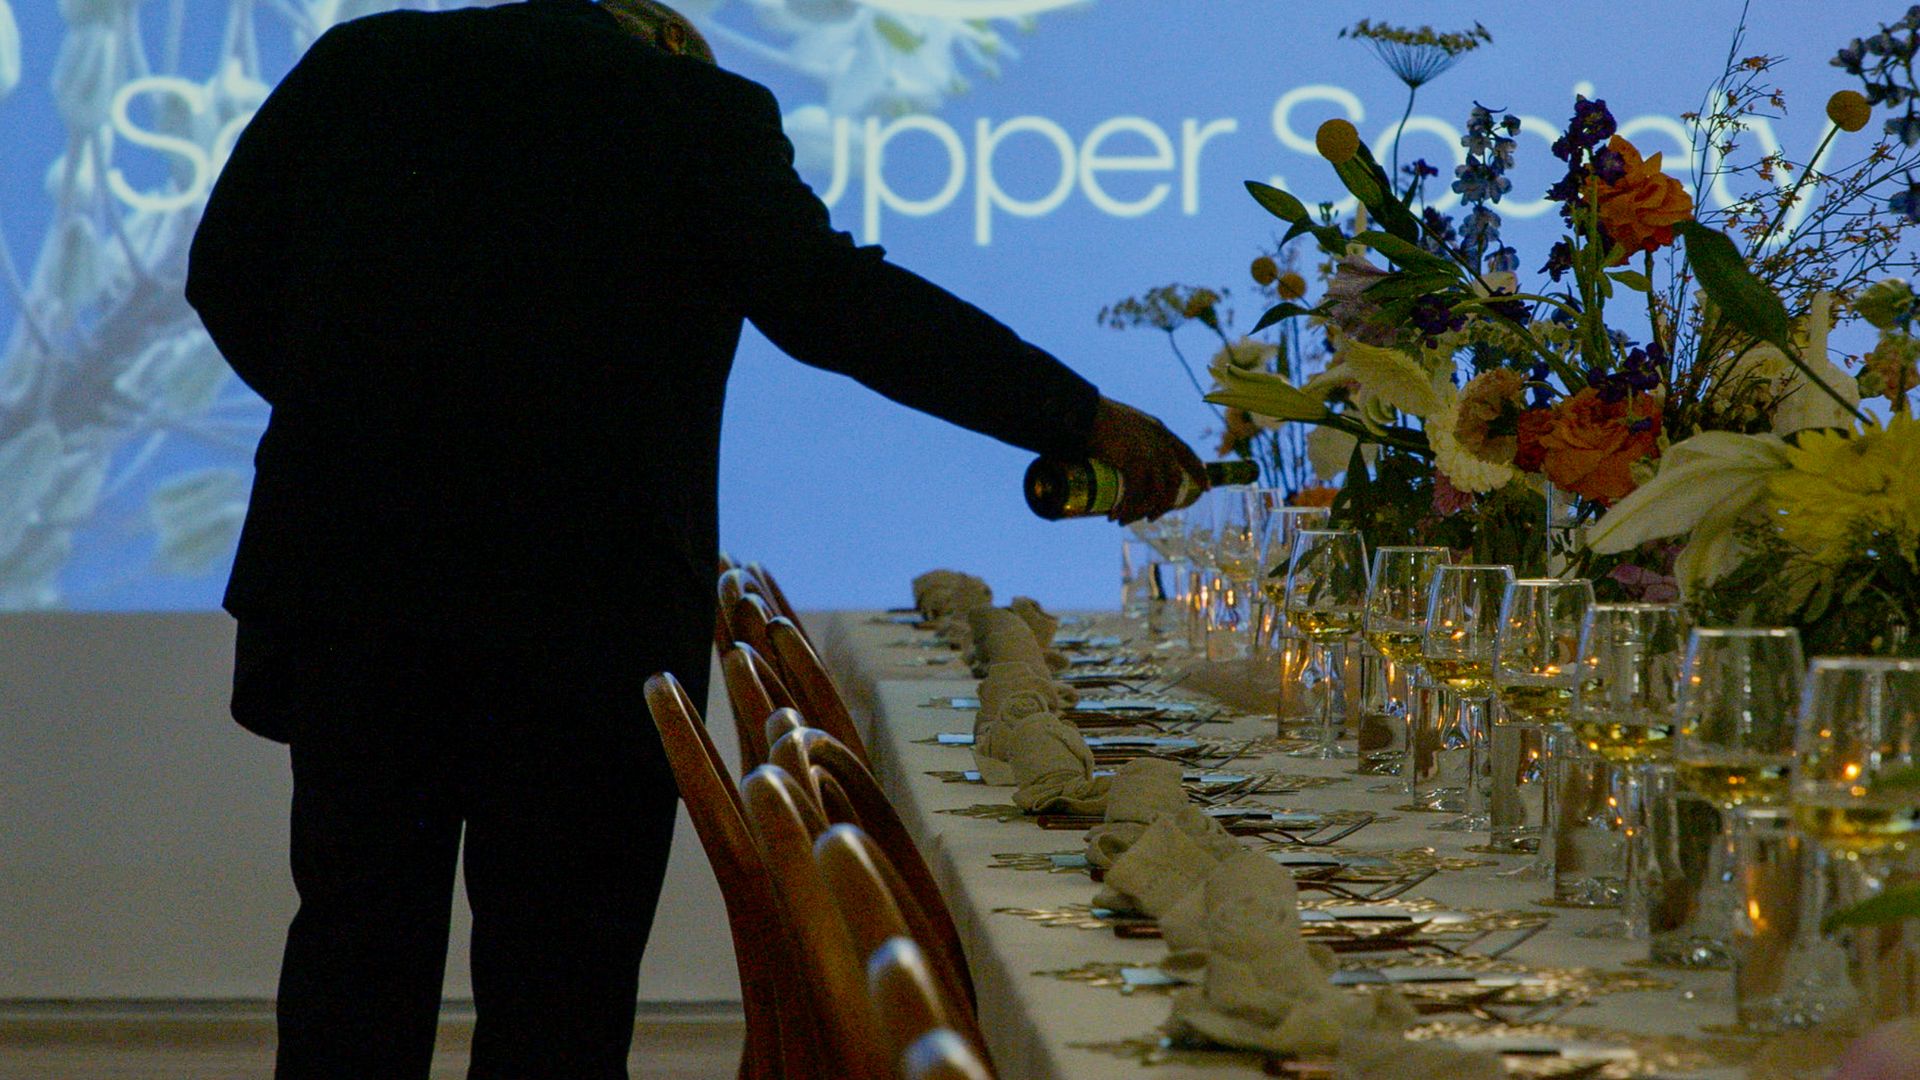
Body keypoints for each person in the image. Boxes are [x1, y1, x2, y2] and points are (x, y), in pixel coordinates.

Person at [184, 1, 1205, 1076]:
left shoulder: (361, 61)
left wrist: (355, 411)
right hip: (580, 617)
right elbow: (834, 304)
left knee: (353, 966)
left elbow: (224, 272)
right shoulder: (693, 110)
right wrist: (1073, 415)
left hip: (354, 588)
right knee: (558, 1003)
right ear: (659, 32)